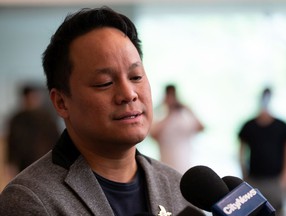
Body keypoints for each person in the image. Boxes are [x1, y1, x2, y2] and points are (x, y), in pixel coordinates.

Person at [0, 7, 204, 216]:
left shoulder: (177, 186)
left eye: (135, 77)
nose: (129, 94)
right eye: (104, 83)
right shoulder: (30, 199)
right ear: (61, 102)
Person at [238, 87, 286, 216]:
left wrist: (285, 176)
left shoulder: (281, 126)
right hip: (254, 178)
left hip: (275, 179)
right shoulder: (249, 125)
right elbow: (241, 152)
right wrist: (244, 175)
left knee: (277, 211)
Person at [5, 84, 60, 175]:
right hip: (24, 164)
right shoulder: (17, 119)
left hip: (44, 162)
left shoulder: (46, 117)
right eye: (30, 97)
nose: (33, 100)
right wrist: (10, 163)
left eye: (35, 97)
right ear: (24, 98)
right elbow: (12, 142)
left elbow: (55, 139)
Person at [150, 84, 204, 174]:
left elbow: (201, 128)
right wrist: (169, 114)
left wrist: (188, 108)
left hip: (185, 166)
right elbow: (154, 135)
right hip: (165, 167)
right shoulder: (159, 116)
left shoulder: (184, 118)